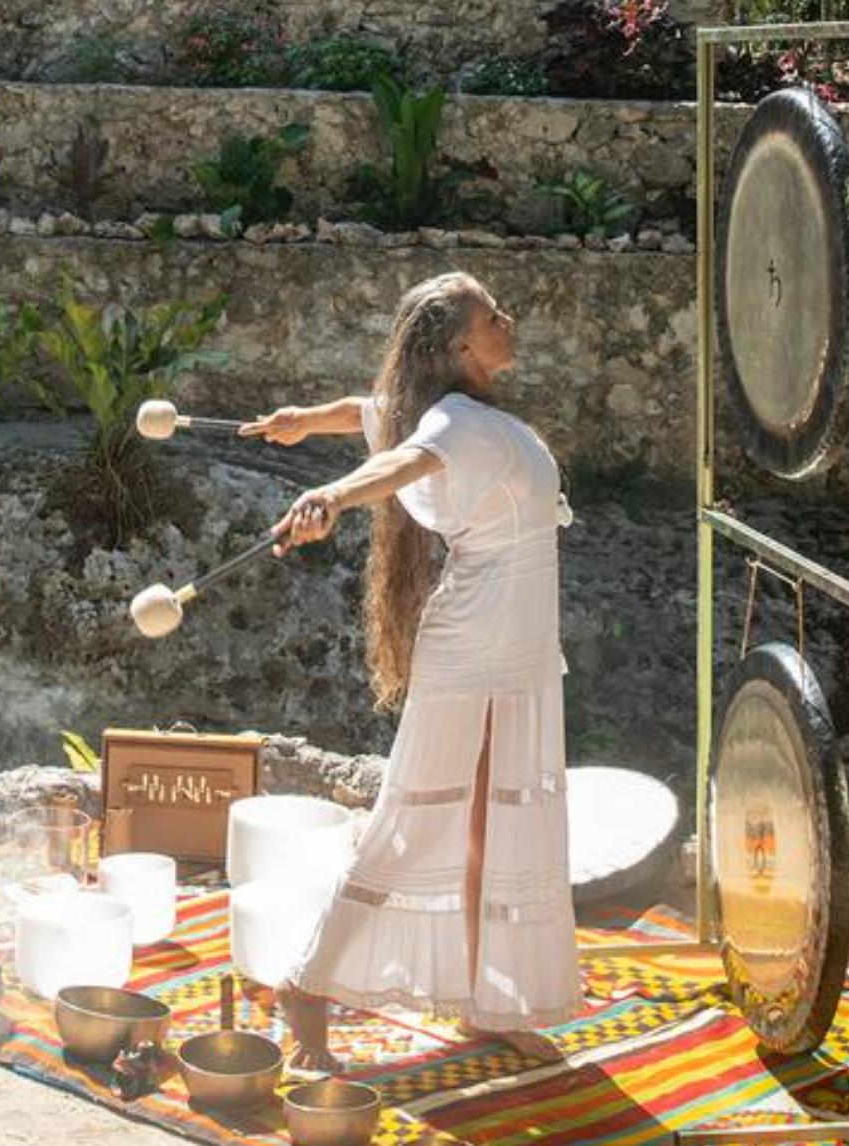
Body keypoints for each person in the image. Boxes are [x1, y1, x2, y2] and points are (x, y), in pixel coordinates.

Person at [239, 271, 581, 1072]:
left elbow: (373, 413)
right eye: (493, 316)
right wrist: (331, 494)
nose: (509, 320)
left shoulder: (453, 413)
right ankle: (307, 986)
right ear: (462, 347)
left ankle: (488, 1000)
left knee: (489, 829)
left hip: (518, 648)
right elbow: (396, 465)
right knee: (415, 820)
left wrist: (304, 420)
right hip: (475, 644)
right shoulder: (456, 424)